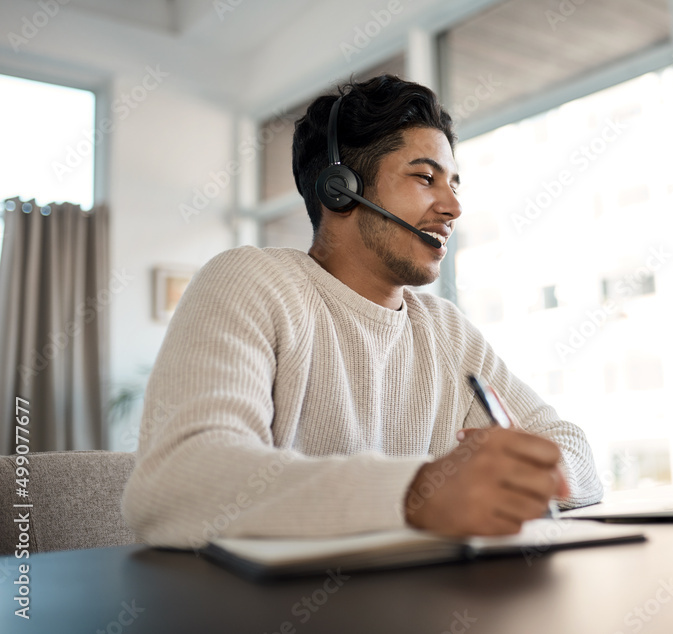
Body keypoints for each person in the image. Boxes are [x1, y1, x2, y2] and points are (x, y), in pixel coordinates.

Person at [122, 74, 602, 548]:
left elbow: (570, 446)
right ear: (340, 188)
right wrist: (418, 493)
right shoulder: (251, 282)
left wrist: (529, 475)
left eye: (455, 184)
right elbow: (178, 480)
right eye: (425, 177)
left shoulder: (446, 330)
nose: (454, 206)